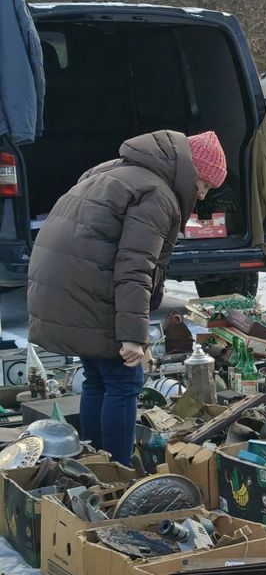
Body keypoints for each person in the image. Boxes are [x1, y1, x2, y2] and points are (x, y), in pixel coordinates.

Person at [27, 130, 226, 463]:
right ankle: (118, 472)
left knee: (98, 377)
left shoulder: (117, 170)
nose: (202, 196)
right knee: (124, 379)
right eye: (204, 185)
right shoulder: (157, 195)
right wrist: (133, 337)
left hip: (65, 283)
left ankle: (92, 465)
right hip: (88, 287)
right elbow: (135, 268)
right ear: (192, 172)